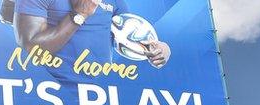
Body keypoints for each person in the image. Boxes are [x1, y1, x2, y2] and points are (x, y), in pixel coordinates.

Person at [13, 0, 171, 87]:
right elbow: (31, 45)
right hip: (51, 87)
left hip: (99, 92)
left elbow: (130, 33)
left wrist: (160, 49)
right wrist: (79, 15)